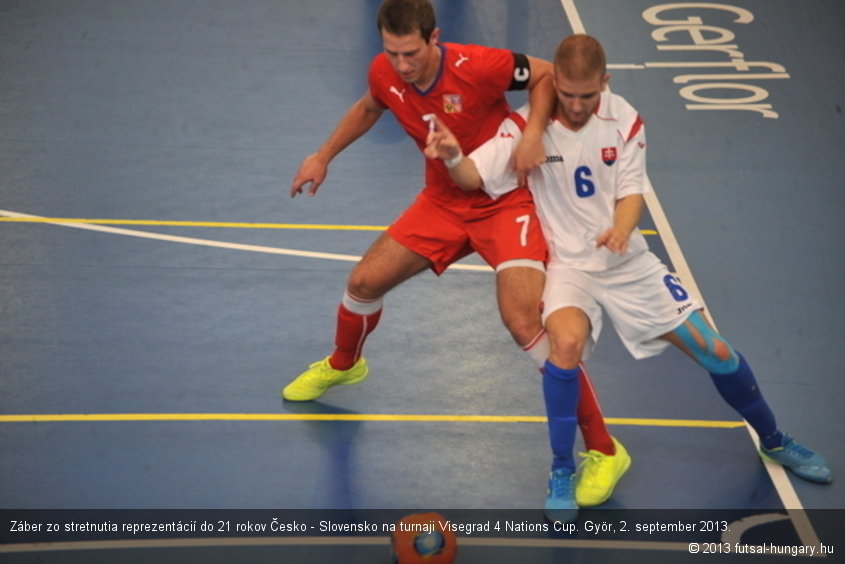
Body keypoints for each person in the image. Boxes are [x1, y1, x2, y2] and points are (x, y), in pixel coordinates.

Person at [424, 33, 832, 522]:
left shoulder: (626, 119)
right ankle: (560, 468)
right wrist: (451, 155)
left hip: (627, 263)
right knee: (565, 348)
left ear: (606, 83)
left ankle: (774, 440)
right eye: (568, 94)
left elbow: (632, 194)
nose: (576, 106)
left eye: (587, 95)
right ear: (556, 82)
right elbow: (472, 176)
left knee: (716, 350)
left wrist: (621, 228)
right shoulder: (523, 128)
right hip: (569, 269)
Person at [283, 1, 630, 507]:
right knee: (362, 283)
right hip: (443, 201)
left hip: (505, 199)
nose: (401, 65)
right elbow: (368, 106)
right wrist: (322, 155)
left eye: (410, 53)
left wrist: (531, 134)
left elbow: (549, 75)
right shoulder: (385, 71)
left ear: (434, 38)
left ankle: (604, 449)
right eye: (391, 53)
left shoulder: (479, 64)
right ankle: (343, 363)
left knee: (524, 323)